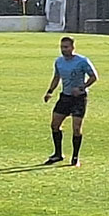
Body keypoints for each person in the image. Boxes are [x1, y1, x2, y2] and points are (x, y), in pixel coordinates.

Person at [42, 37, 98, 167]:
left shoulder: (82, 61)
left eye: (66, 47)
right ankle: (58, 154)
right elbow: (57, 77)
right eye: (62, 47)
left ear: (73, 47)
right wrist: (50, 91)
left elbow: (94, 77)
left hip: (79, 99)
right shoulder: (59, 62)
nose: (63, 50)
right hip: (65, 97)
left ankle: (75, 157)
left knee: (76, 128)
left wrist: (82, 88)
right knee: (55, 124)